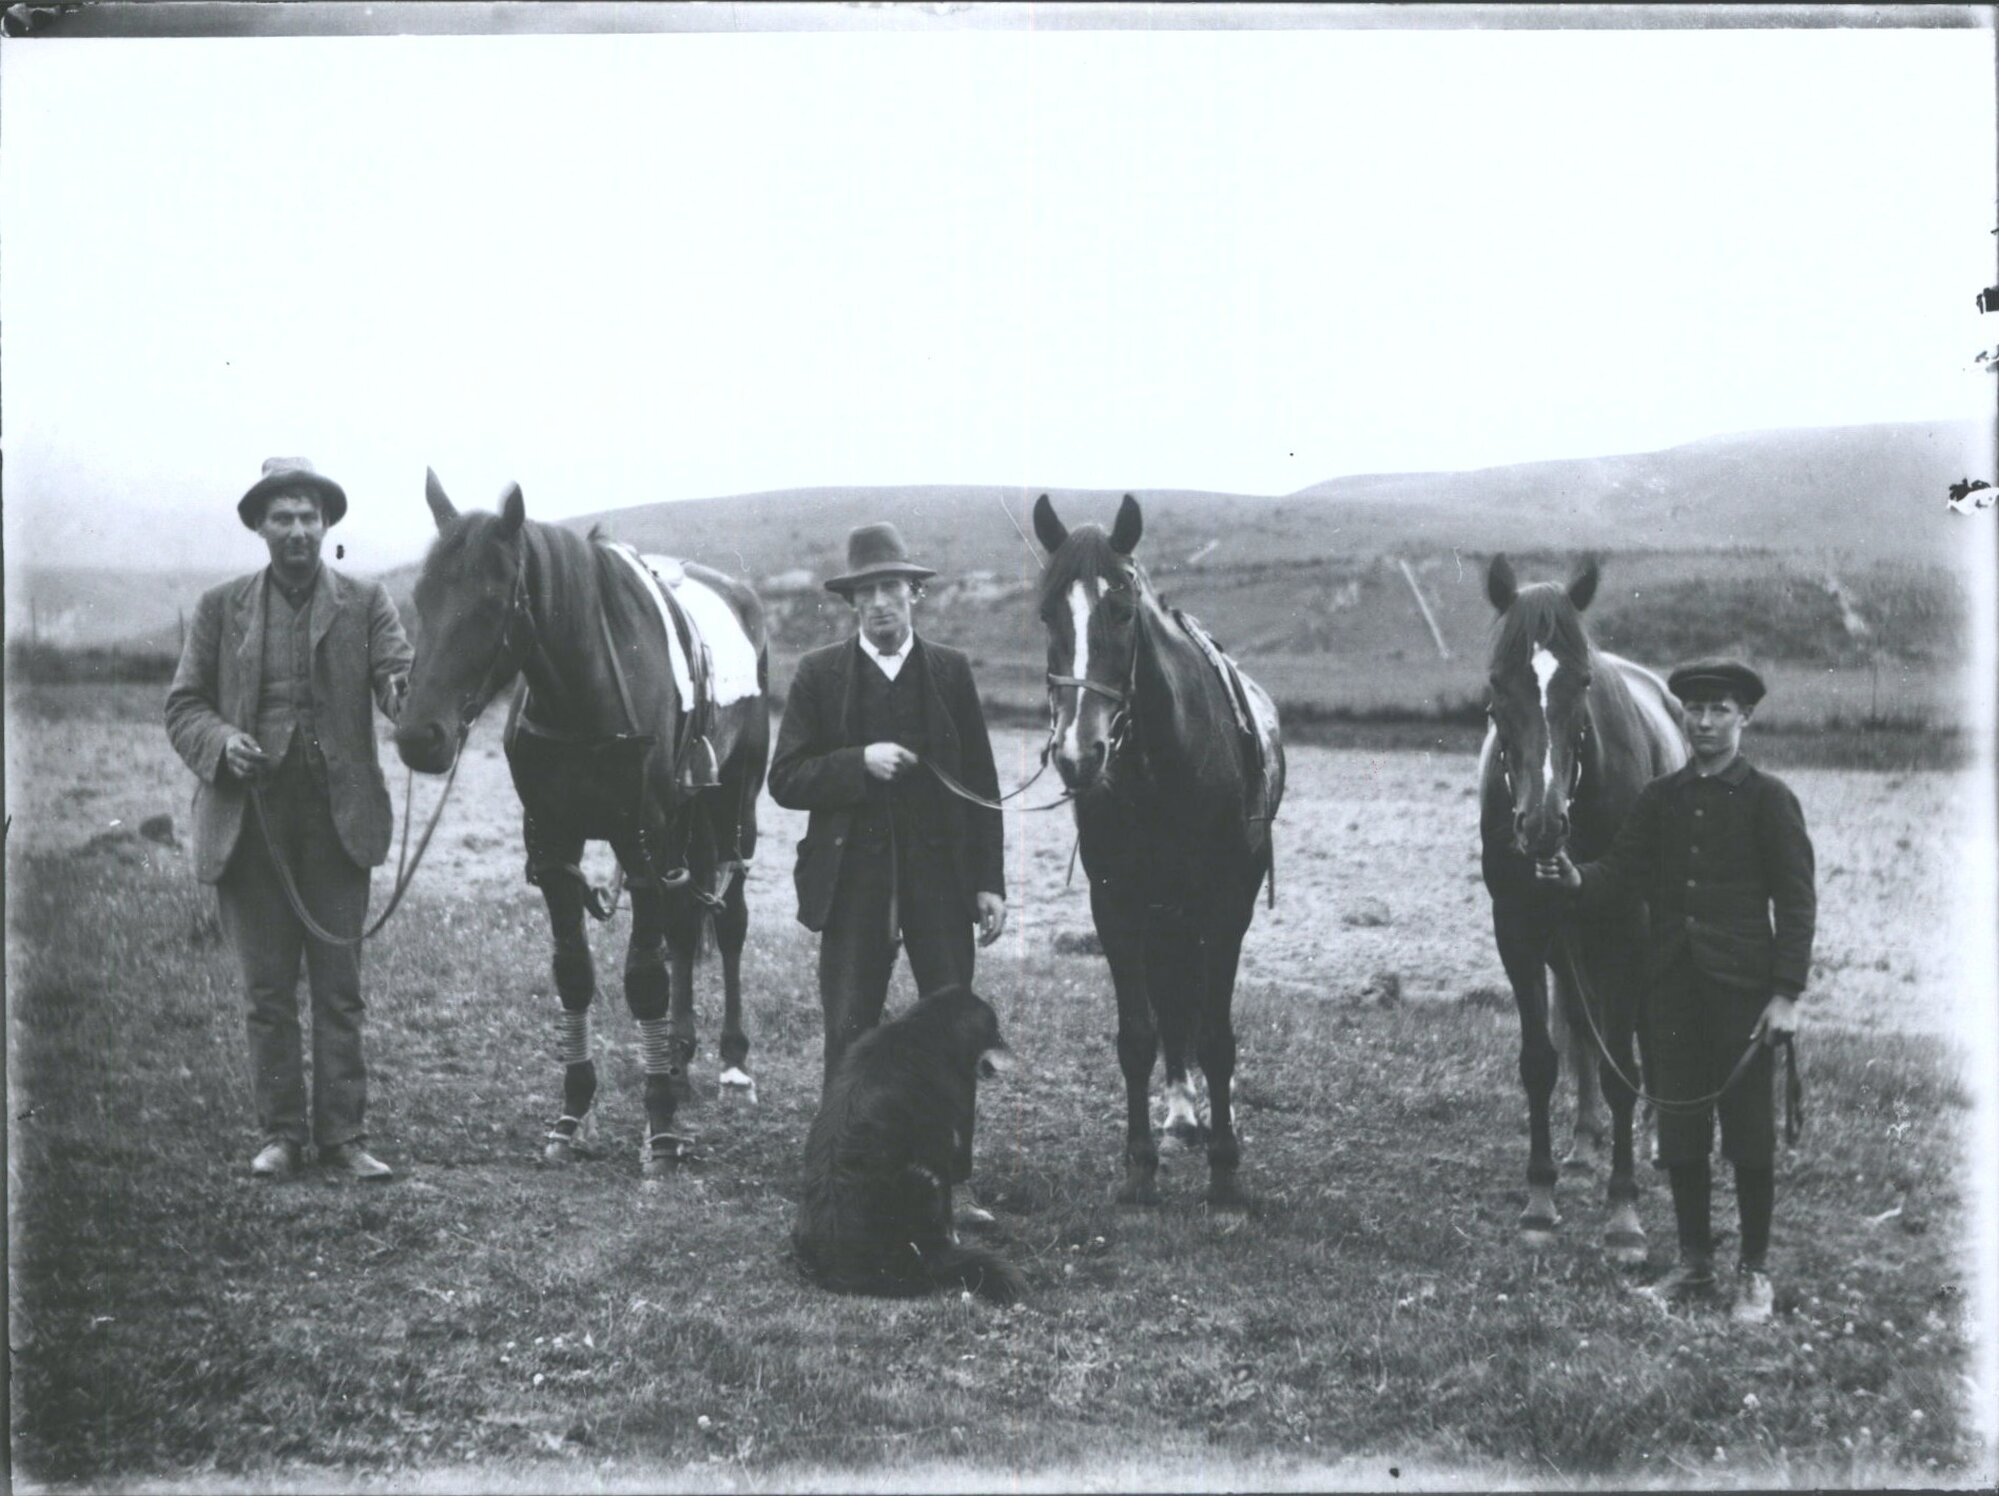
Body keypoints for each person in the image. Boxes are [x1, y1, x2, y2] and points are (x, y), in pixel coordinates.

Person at [1539, 657, 1816, 1323]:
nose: (1704, 721)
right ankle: (1692, 1264)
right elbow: (1619, 874)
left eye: (1720, 709)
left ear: (1743, 717)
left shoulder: (1769, 800)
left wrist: (1783, 995)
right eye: (1693, 709)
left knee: (1748, 1134)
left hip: (1741, 992)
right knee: (1683, 1129)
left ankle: (1751, 1273)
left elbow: (1796, 906)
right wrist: (1575, 879)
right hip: (1670, 987)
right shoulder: (1658, 799)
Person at [166, 458, 413, 1181]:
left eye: (309, 517)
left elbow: (397, 680)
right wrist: (220, 743)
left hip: (339, 821)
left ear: (326, 525)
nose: (298, 530)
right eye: (283, 517)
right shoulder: (221, 607)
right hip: (250, 823)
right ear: (260, 527)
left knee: (339, 987)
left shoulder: (367, 603)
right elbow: (183, 706)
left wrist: (412, 699)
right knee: (266, 991)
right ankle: (281, 1135)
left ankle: (343, 1138)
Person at [769, 522, 1008, 1087]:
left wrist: (989, 881)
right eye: (867, 592)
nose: (880, 603)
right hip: (853, 882)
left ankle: (946, 1164)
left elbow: (982, 785)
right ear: (852, 602)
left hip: (942, 883)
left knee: (953, 1027)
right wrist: (858, 763)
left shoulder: (950, 671)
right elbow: (785, 779)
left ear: (913, 593)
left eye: (891, 588)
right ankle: (846, 1162)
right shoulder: (818, 674)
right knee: (849, 1030)